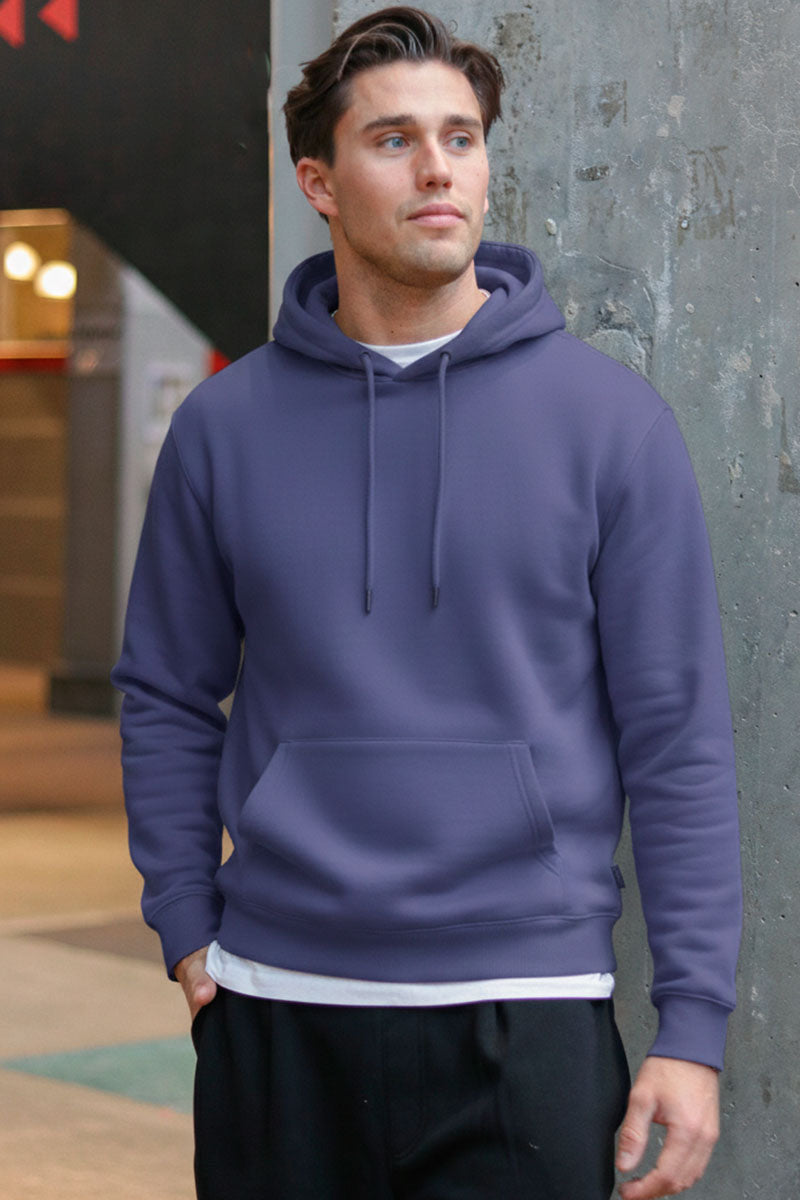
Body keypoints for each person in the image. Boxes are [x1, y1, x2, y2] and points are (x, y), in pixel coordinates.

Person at [111, 7, 742, 1198]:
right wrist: (186, 924)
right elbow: (164, 694)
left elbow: (677, 740)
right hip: (276, 1008)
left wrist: (691, 1025)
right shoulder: (223, 429)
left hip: (527, 1010)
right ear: (318, 181)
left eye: (460, 136)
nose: (439, 167)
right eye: (393, 139)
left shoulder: (608, 426)